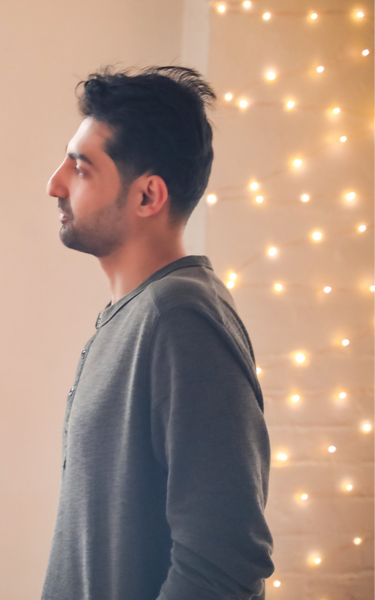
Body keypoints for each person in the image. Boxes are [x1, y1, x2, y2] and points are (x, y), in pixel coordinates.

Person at [41, 67, 274, 600]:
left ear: (148, 195)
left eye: (81, 168)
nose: (54, 184)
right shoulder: (137, 314)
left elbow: (223, 562)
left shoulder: (180, 317)